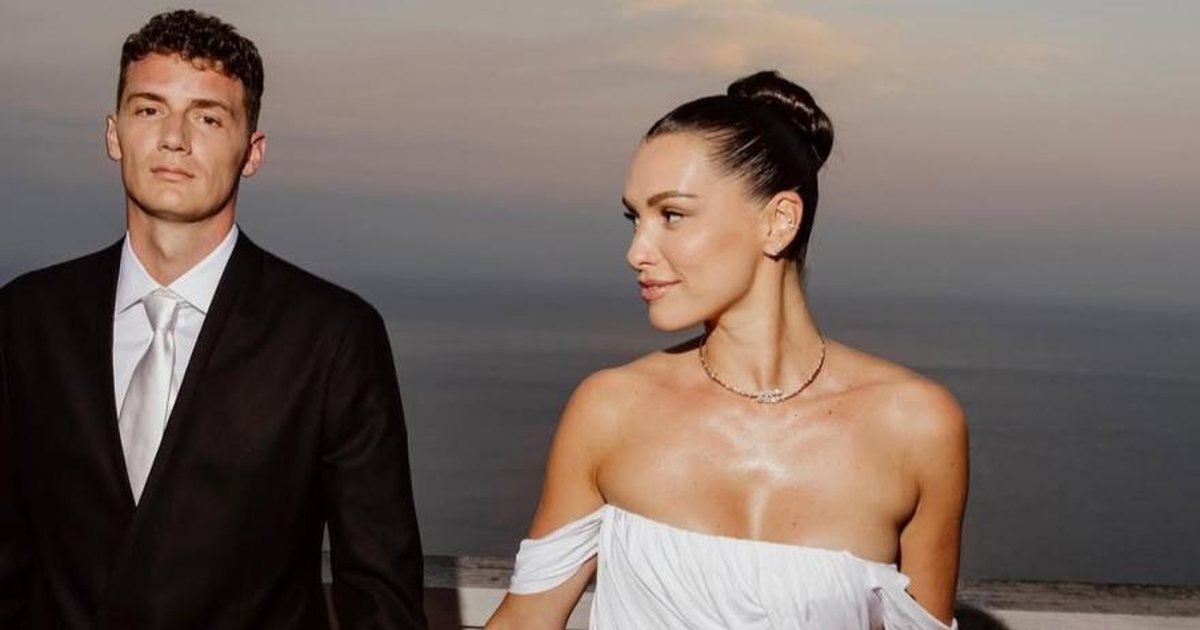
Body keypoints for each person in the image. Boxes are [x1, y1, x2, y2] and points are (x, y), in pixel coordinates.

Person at [486, 71, 968, 629]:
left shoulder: (917, 426)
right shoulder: (610, 409)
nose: (636, 251)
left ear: (778, 222)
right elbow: (525, 621)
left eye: (671, 215)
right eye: (634, 219)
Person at [0, 10, 426, 629]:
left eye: (207, 117)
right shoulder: (25, 319)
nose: (174, 137)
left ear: (252, 152)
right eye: (150, 109)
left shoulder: (333, 338)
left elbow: (381, 594)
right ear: (114, 134)